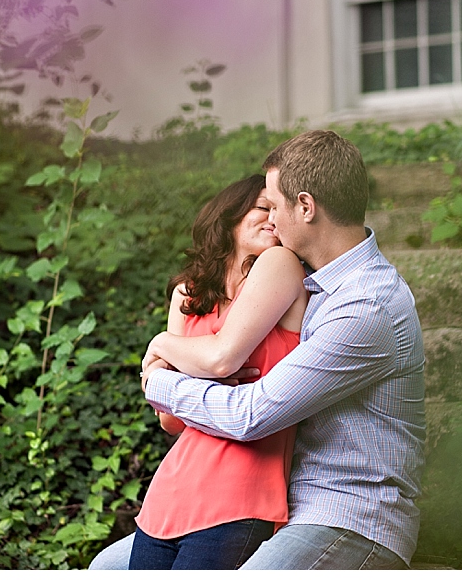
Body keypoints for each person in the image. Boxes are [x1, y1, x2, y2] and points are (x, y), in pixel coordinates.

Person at [89, 129, 425, 570]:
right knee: (105, 570)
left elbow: (252, 415)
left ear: (304, 207)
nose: (270, 218)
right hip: (280, 500)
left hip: (347, 514)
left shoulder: (367, 306)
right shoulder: (311, 285)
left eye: (274, 204)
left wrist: (159, 379)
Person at [126, 174, 309, 569]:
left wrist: (161, 348)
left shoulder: (281, 264)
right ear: (231, 215)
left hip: (242, 492)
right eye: (265, 207)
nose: (275, 218)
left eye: (280, 209)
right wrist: (198, 382)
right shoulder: (187, 294)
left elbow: (220, 360)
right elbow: (170, 418)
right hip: (169, 495)